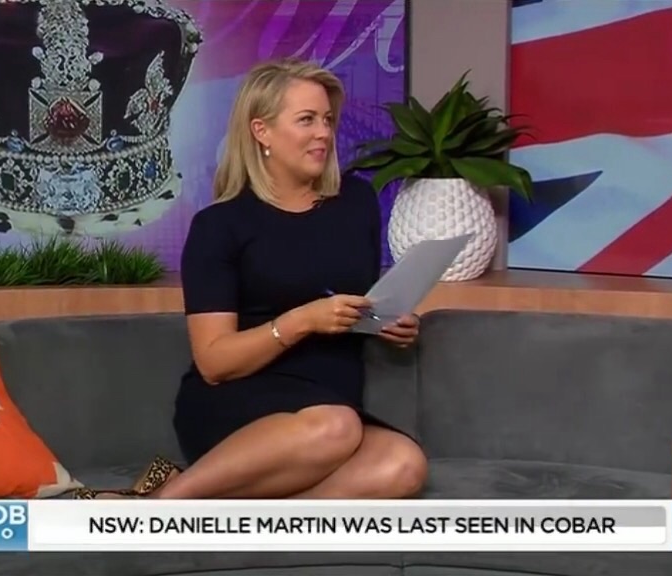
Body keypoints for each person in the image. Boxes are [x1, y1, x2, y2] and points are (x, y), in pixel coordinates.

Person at [74, 57, 428, 500]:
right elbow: (214, 363)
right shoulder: (219, 226)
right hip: (240, 400)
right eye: (306, 120)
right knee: (337, 427)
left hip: (331, 393)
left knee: (404, 464)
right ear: (262, 131)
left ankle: (235, 521)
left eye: (327, 120)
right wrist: (302, 321)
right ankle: (163, 507)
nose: (323, 132)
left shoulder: (357, 203)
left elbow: (355, 299)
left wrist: (387, 319)